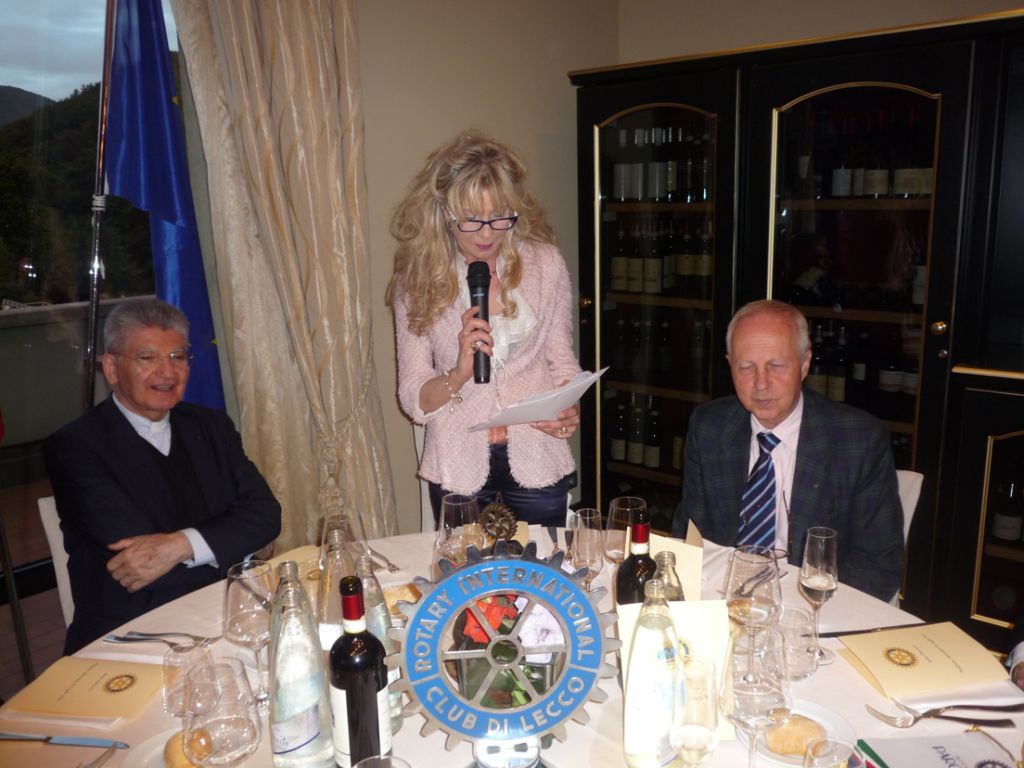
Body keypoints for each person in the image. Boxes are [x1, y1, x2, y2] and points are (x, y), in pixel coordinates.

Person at [44, 298, 281, 653]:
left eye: (177, 356)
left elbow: (266, 514)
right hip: (131, 635)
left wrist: (179, 546)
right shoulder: (75, 447)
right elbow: (138, 565)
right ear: (111, 368)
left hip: (226, 614)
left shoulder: (211, 426)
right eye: (147, 358)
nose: (167, 372)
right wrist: (234, 542)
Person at [387, 131, 581, 526]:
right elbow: (413, 399)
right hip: (458, 465)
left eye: (499, 216)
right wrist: (458, 372)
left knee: (546, 562)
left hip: (538, 455)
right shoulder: (415, 282)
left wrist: (568, 408)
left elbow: (562, 361)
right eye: (472, 219)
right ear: (445, 213)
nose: (488, 233)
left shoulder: (546, 265)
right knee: (466, 566)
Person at [671, 299, 903, 601]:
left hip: (814, 606)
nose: (761, 384)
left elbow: (878, 566)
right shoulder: (709, 427)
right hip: (725, 599)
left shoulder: (859, 440)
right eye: (746, 367)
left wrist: (799, 611)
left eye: (776, 366)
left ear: (805, 364)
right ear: (730, 365)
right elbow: (690, 536)